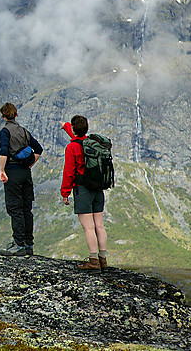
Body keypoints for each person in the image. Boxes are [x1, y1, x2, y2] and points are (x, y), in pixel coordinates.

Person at [60, 115, 108, 270]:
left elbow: (69, 172)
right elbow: (78, 136)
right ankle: (103, 259)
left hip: (83, 190)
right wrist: (66, 126)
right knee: (99, 226)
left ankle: (93, 261)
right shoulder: (92, 143)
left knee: (89, 228)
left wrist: (65, 192)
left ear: (74, 129)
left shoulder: (72, 147)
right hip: (98, 189)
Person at [0, 102, 44, 257]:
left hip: (12, 172)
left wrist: (2, 170)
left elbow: (4, 152)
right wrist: (30, 164)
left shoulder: (5, 131)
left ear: (3, 116)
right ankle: (28, 244)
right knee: (26, 209)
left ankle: (18, 244)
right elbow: (38, 149)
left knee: (15, 208)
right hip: (25, 173)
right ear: (16, 114)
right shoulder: (24, 131)